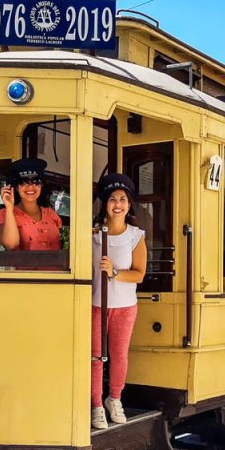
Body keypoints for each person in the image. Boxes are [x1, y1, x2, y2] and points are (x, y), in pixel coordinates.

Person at [91, 173, 147, 430]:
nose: (117, 204)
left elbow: (139, 274)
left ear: (129, 204)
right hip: (95, 305)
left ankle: (115, 399)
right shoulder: (92, 235)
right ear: (104, 203)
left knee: (119, 355)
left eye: (122, 199)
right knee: (94, 357)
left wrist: (114, 272)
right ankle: (96, 406)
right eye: (112, 199)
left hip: (124, 306)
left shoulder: (136, 236)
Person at [0, 157, 62, 251]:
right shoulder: (5, 213)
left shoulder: (51, 214)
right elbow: (11, 245)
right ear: (16, 187)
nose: (30, 186)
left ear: (41, 185)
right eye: (24, 182)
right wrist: (9, 208)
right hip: (25, 266)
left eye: (36, 181)